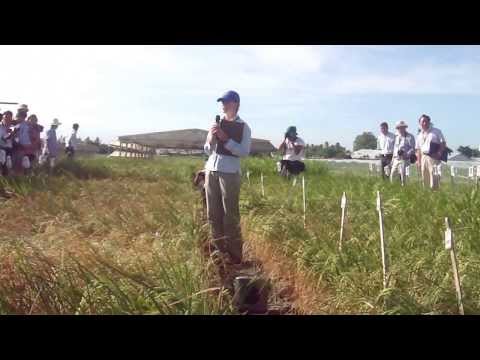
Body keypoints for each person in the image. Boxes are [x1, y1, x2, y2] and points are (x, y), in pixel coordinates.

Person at [204, 90, 251, 266]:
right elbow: (207, 150)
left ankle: (235, 257)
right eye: (222, 102)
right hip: (211, 170)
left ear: (236, 104)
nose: (223, 105)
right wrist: (210, 139)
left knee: (230, 215)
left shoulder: (244, 127)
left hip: (230, 173)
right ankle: (218, 254)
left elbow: (244, 152)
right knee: (213, 214)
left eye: (226, 102)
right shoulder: (216, 124)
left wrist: (226, 139)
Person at [415, 114, 447, 190]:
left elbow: (443, 143)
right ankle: (427, 194)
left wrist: (439, 153)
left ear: (429, 122)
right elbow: (418, 149)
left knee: (434, 176)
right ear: (420, 123)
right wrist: (418, 161)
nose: (424, 123)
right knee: (424, 177)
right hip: (423, 157)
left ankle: (435, 193)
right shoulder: (419, 135)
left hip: (433, 157)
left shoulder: (436, 131)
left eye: (426, 121)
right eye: (422, 122)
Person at [390, 121, 416, 186]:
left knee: (403, 176)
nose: (400, 129)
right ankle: (394, 188)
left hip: (404, 159)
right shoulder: (396, 136)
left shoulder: (410, 136)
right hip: (396, 159)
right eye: (399, 128)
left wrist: (407, 154)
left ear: (405, 128)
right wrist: (392, 160)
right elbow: (394, 149)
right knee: (392, 174)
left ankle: (404, 189)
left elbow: (413, 148)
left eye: (402, 127)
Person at [11, 104, 34, 175]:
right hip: (16, 147)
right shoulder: (15, 123)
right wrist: (19, 144)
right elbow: (15, 136)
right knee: (14, 165)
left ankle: (18, 181)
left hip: (24, 148)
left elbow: (27, 136)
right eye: (22, 111)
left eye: (25, 112)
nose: (24, 113)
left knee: (21, 166)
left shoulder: (26, 124)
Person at [0, 111, 14, 176]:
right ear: (3, 118)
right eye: (6, 117)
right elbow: (3, 138)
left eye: (9, 118)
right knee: (2, 158)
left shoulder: (13, 128)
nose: (7, 119)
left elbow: (17, 140)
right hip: (1, 148)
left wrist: (13, 135)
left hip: (10, 149)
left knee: (8, 164)